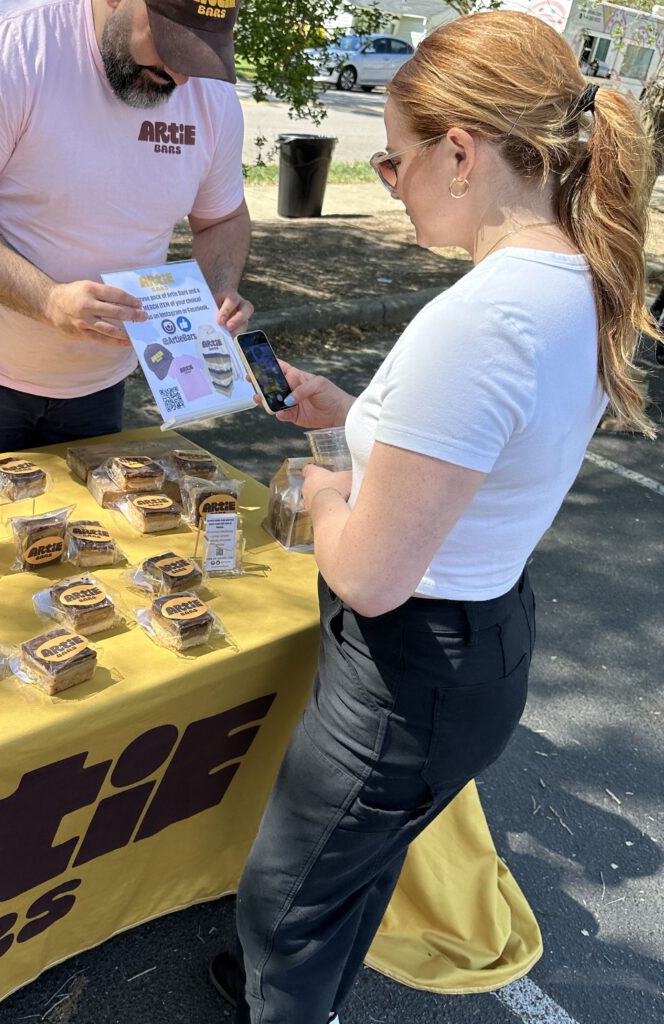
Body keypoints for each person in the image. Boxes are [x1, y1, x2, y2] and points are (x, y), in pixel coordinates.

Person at [208, 11, 660, 1024]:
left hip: (404, 668)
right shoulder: (573, 281)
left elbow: (369, 574)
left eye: (392, 158)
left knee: (288, 899)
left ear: (458, 152)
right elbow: (473, 455)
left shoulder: (484, 317)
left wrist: (325, 487)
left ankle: (286, 1003)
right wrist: (349, 419)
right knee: (352, 866)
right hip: (477, 642)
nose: (388, 180)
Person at [0, 0, 253, 465]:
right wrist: (47, 300)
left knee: (84, 535)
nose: (182, 76)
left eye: (199, 51)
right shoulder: (12, 43)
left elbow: (223, 219)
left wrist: (217, 292)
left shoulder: (210, 95)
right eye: (170, 44)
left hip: (98, 385)